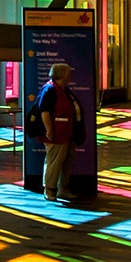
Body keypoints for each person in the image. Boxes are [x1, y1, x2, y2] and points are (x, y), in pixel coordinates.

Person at [38, 62, 85, 201]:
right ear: (62, 75)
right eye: (68, 73)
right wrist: (49, 129)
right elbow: (44, 111)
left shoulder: (64, 89)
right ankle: (50, 189)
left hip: (67, 132)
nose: (70, 76)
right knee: (54, 161)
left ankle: (62, 188)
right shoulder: (50, 90)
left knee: (65, 161)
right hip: (56, 133)